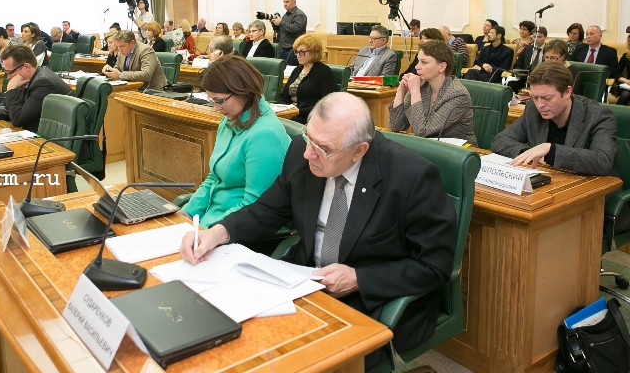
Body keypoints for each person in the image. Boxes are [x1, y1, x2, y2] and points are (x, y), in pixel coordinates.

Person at [180, 92, 457, 369]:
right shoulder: (304, 150)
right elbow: (268, 209)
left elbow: (435, 265)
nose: (308, 153)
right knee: (237, 336)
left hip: (371, 297)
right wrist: (217, 233)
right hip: (305, 280)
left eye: (322, 148)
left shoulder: (412, 177)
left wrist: (359, 278)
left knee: (305, 361)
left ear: (359, 150)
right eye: (308, 138)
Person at [182, 56, 290, 227]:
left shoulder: (265, 135)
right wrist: (187, 213)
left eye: (220, 101)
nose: (216, 108)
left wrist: (210, 231)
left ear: (243, 91)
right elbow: (214, 178)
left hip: (233, 228)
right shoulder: (229, 120)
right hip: (211, 219)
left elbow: (254, 206)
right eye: (212, 101)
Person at [491, 62, 616, 176]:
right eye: (535, 98)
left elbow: (603, 161)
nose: (540, 105)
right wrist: (531, 153)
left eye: (548, 98)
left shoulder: (598, 115)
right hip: (549, 181)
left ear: (567, 92)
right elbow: (500, 140)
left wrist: (550, 151)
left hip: (590, 188)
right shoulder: (532, 109)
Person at [0, 44, 73, 133]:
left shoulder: (43, 83)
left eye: (10, 72)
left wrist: (11, 89)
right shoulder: (30, 78)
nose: (8, 77)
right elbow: (13, 109)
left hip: (55, 143)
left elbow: (17, 119)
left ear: (26, 67)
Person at [389, 40, 477, 145]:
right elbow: (396, 126)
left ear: (442, 67)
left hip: (457, 151)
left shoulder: (458, 95)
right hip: (429, 146)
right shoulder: (422, 86)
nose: (417, 67)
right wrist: (400, 91)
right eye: (418, 61)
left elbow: (422, 132)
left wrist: (415, 92)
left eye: (424, 62)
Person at [277, 34, 336, 124]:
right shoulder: (298, 69)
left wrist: (299, 111)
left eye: (302, 52)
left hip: (308, 118)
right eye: (296, 52)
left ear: (314, 52)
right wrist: (285, 109)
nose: (298, 55)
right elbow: (283, 95)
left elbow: (326, 103)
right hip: (289, 114)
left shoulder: (324, 71)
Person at [102, 30, 167, 90]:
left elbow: (146, 75)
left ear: (132, 43)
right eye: (118, 46)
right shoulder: (121, 51)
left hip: (152, 90)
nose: (119, 49)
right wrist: (110, 71)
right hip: (132, 88)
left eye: (122, 46)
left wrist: (120, 75)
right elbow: (117, 68)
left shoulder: (146, 50)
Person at [508, 27, 547, 93]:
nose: (536, 39)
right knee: (511, 83)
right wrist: (521, 72)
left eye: (539, 37)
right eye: (534, 37)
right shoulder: (527, 49)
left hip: (542, 79)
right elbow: (517, 65)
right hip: (526, 77)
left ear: (545, 37)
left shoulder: (549, 50)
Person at [272, 0, 307, 64]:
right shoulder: (286, 15)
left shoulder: (299, 14)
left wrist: (281, 22)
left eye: (287, 2)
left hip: (292, 50)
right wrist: (275, 24)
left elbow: (296, 28)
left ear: (294, 2)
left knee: (289, 69)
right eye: (284, 2)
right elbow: (282, 31)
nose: (285, 4)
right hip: (282, 49)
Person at [611, 33, 630, 106]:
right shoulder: (626, 56)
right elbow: (615, 73)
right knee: (625, 94)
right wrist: (626, 81)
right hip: (628, 85)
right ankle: (615, 113)